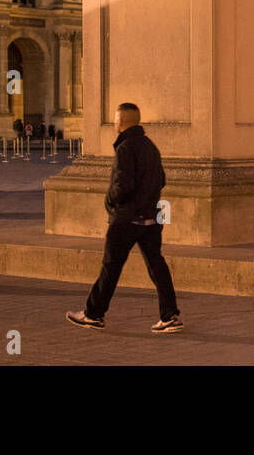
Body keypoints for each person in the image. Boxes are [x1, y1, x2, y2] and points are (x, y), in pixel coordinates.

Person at [67, 102, 183, 334]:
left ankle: (94, 314)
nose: (114, 124)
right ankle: (170, 315)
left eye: (116, 120)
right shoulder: (151, 147)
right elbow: (161, 180)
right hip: (151, 218)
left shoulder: (125, 148)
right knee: (156, 265)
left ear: (121, 123)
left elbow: (123, 185)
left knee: (111, 267)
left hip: (127, 219)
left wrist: (111, 201)